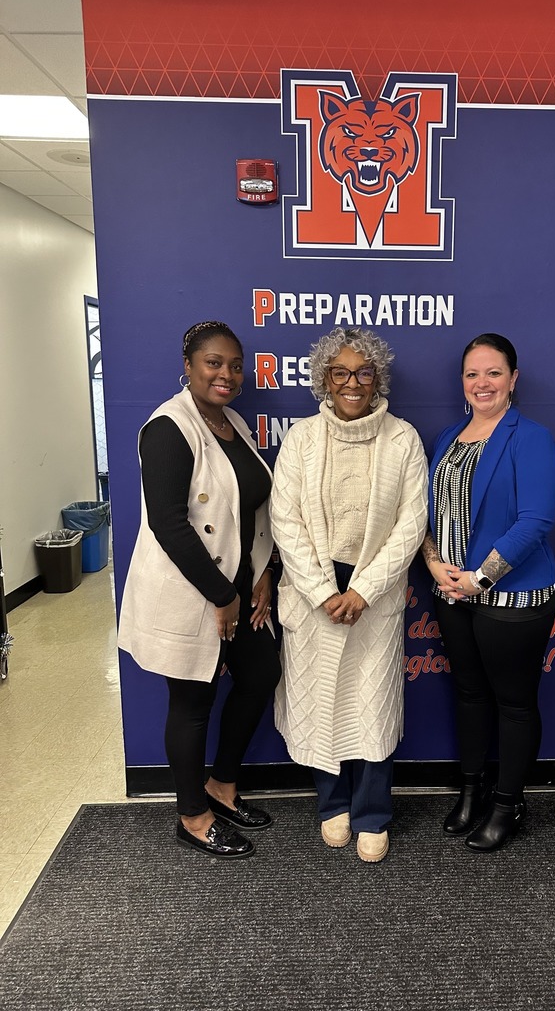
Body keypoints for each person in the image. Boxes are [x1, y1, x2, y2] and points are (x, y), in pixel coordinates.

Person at [118, 321, 281, 859]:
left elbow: (252, 511)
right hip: (194, 590)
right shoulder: (167, 427)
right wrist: (222, 595)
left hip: (239, 584)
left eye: (235, 365)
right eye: (214, 363)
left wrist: (262, 574)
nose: (227, 374)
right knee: (192, 701)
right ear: (188, 365)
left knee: (261, 675)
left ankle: (223, 786)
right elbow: (170, 524)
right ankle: (192, 814)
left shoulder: (232, 421)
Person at [270, 327, 428, 863]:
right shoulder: (302, 439)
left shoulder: (402, 439)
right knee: (322, 702)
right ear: (325, 379)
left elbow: (412, 523)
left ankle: (372, 813)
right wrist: (321, 590)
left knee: (372, 704)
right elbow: (284, 520)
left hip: (374, 594)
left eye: (363, 372)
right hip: (314, 591)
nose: (352, 382)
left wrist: (361, 588)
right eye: (340, 372)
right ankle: (330, 805)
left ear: (377, 377)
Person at [422, 333, 555, 852]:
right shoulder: (448, 438)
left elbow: (536, 520)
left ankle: (508, 803)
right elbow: (428, 514)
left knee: (514, 703)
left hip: (511, 596)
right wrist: (435, 566)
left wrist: (480, 578)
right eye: (473, 374)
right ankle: (471, 790)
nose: (483, 383)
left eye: (494, 372)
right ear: (462, 382)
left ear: (513, 379)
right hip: (451, 593)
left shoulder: (531, 437)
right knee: (470, 695)